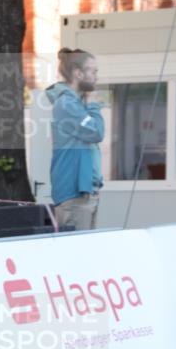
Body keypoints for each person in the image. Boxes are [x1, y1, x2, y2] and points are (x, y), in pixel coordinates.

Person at [46, 48, 105, 231]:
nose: (96, 76)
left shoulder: (76, 104)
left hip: (84, 194)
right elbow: (96, 132)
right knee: (79, 256)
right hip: (74, 196)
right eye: (93, 71)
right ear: (78, 73)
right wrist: (94, 104)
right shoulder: (67, 104)